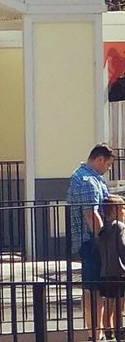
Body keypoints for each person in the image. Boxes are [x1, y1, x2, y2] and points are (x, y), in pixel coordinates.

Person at [70, 146, 115, 342]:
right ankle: (95, 334)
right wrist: (104, 239)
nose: (108, 169)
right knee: (94, 289)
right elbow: (91, 214)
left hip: (90, 241)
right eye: (108, 164)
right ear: (100, 159)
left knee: (93, 288)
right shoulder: (87, 181)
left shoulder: (86, 177)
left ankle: (96, 333)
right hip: (92, 242)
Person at [98, 195, 125, 342]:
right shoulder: (119, 226)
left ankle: (108, 330)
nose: (124, 212)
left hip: (105, 271)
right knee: (119, 304)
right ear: (115, 210)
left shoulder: (103, 228)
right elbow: (122, 248)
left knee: (108, 301)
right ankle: (119, 329)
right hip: (119, 271)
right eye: (123, 208)